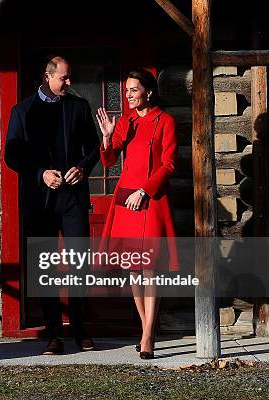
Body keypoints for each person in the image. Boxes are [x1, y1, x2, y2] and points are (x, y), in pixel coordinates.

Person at [4, 56, 100, 355]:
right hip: (40, 201)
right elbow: (12, 154)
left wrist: (83, 168)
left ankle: (81, 331)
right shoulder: (22, 110)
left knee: (79, 266)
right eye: (64, 78)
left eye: (69, 78)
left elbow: (94, 147)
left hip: (72, 199)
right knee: (45, 266)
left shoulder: (78, 107)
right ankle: (53, 335)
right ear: (48, 77)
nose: (69, 83)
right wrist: (40, 174)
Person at [96, 69, 178, 360]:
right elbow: (108, 161)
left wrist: (144, 190)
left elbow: (168, 164)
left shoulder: (165, 121)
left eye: (134, 90)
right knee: (133, 267)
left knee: (150, 268)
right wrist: (107, 138)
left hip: (149, 198)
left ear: (149, 92)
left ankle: (146, 336)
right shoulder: (126, 122)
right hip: (125, 200)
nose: (128, 95)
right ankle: (147, 328)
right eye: (127, 90)